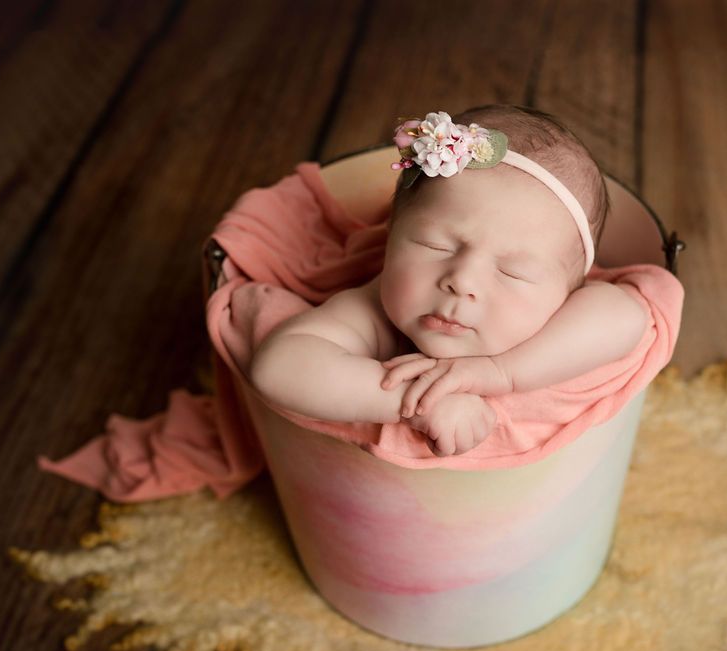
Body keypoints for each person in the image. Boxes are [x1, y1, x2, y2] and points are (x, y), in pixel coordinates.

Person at [251, 105, 649, 458]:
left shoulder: (565, 317)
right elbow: (279, 366)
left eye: (513, 272)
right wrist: (418, 401)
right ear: (391, 234)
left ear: (569, 290)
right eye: (435, 246)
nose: (462, 281)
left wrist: (499, 372)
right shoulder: (374, 310)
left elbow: (628, 316)